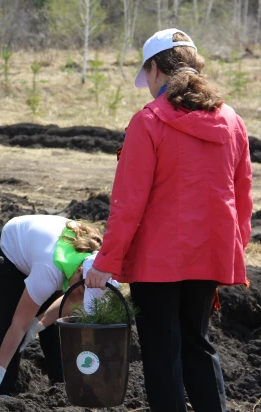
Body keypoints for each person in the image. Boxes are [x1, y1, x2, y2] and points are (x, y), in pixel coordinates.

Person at [84, 28, 253, 412]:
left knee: (162, 354)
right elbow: (243, 197)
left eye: (146, 76)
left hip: (156, 262)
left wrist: (106, 262)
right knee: (197, 344)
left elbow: (128, 204)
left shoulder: (148, 122)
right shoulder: (232, 121)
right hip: (209, 255)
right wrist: (234, 248)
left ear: (156, 69)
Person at [0, 215, 115, 399]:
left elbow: (71, 299)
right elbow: (18, 325)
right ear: (80, 271)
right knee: (11, 324)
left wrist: (37, 325)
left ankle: (62, 388)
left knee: (53, 328)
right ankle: (0, 390)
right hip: (11, 251)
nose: (79, 297)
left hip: (43, 246)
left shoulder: (95, 269)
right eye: (82, 292)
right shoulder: (49, 271)